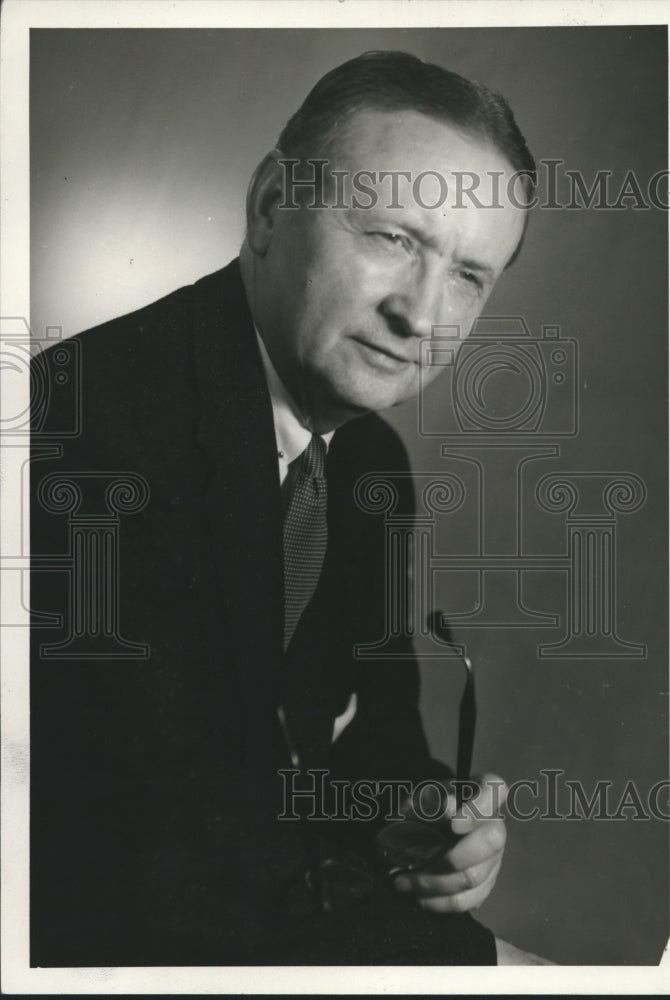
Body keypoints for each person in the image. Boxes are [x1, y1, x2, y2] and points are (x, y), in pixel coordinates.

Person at [30, 51, 551, 966]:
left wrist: (424, 823)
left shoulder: (368, 465)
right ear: (272, 205)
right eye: (393, 238)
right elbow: (145, 861)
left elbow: (369, 738)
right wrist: (471, 966)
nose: (421, 315)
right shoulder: (82, 429)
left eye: (469, 276)